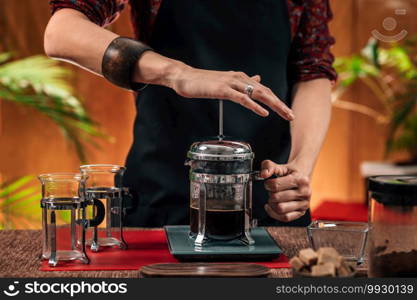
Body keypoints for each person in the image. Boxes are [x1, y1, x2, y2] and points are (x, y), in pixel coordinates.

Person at [44, 0, 336, 227]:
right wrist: (178, 73)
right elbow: (62, 32)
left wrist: (301, 166)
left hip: (269, 199)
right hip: (161, 200)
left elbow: (312, 70)